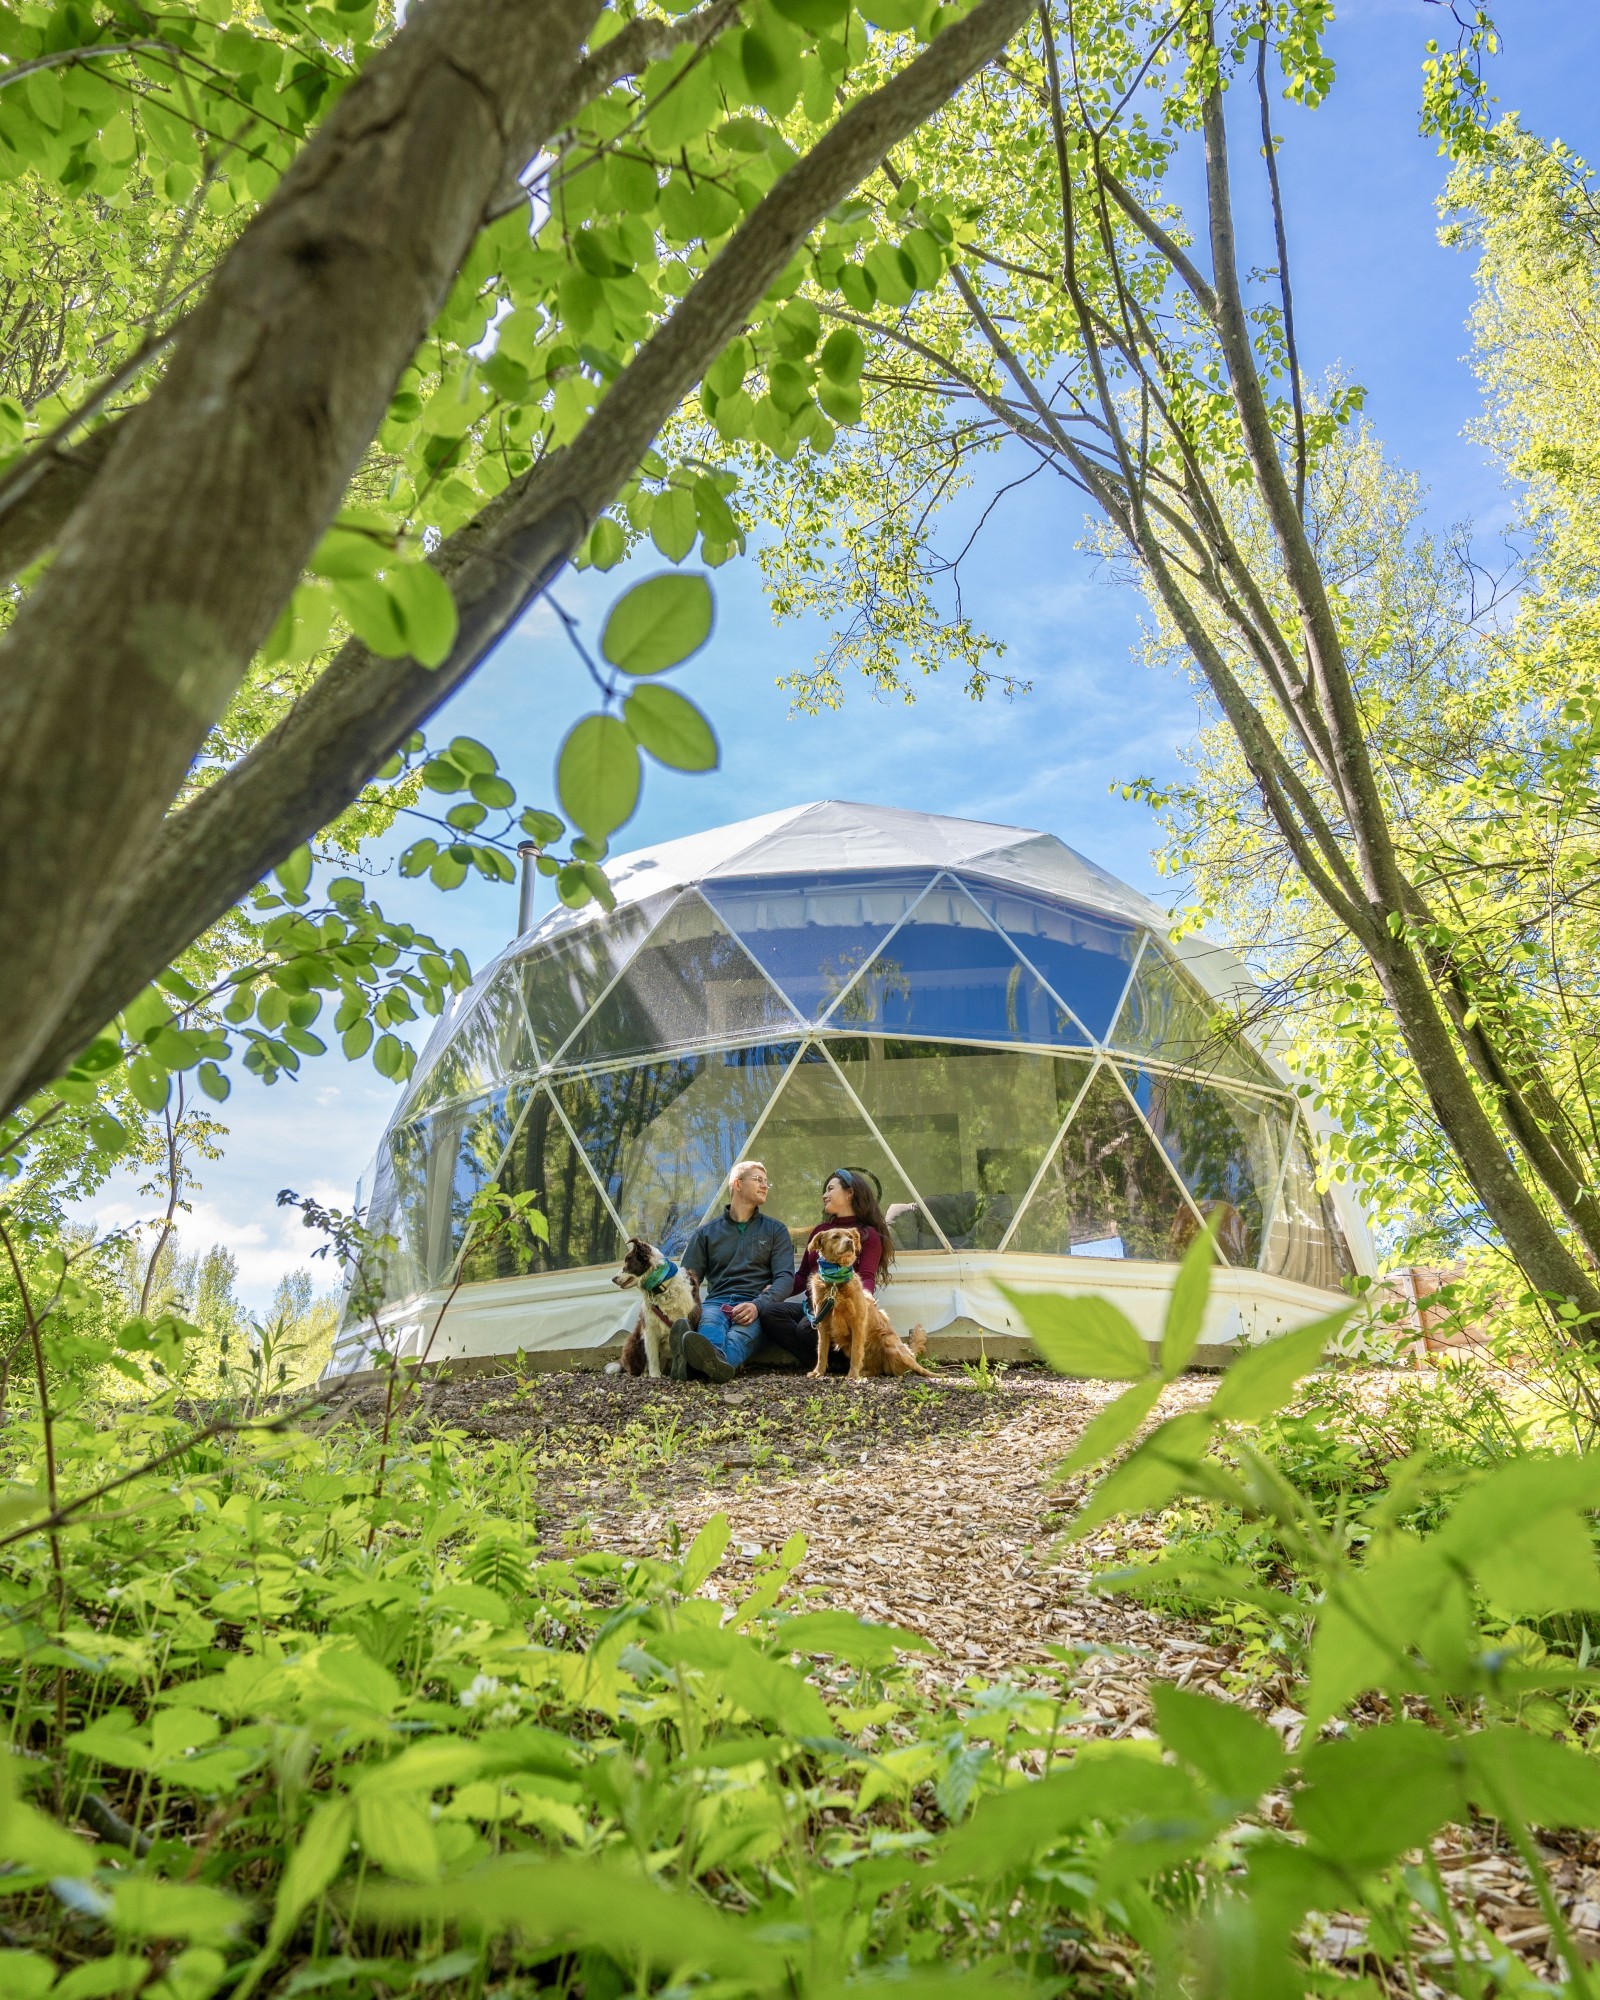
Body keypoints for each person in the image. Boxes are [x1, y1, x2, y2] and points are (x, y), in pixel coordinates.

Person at [759, 1167, 896, 1372]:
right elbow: (803, 1275)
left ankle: (843, 1362)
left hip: (843, 1307)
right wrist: (776, 1290)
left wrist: (866, 1295)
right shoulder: (820, 1232)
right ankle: (826, 1364)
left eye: (830, 1189)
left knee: (806, 1329)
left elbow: (867, 1276)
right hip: (814, 1303)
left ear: (849, 1194)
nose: (825, 1195)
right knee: (770, 1314)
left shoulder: (868, 1235)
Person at [674, 1159, 795, 1383]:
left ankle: (689, 1365)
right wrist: (689, 1312)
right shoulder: (706, 1233)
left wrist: (758, 1305)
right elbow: (687, 1280)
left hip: (756, 1304)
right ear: (737, 1184)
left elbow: (786, 1278)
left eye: (767, 1182)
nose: (764, 1185)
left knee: (739, 1335)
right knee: (710, 1325)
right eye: (758, 1180)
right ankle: (711, 1364)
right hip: (716, 1303)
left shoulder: (775, 1230)